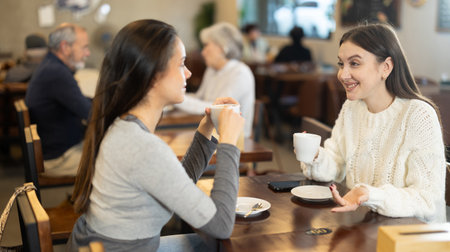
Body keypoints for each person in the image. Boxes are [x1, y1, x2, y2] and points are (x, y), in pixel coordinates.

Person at [67, 19, 245, 251]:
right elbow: (221, 225)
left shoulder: (125, 127)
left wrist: (206, 129)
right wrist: (229, 143)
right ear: (153, 75)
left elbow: (177, 183)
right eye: (181, 64)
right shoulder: (141, 146)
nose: (189, 73)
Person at [298, 23, 446, 223]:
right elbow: (336, 165)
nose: (343, 74)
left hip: (410, 237)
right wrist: (316, 155)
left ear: (386, 67)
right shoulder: (352, 108)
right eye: (341, 64)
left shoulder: (419, 115)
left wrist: (369, 194)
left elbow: (428, 200)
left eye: (355, 63)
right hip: (365, 226)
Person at [25, 23, 91, 176]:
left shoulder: (51, 66)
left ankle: (79, 200)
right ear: (65, 47)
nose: (87, 53)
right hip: (58, 158)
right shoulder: (56, 73)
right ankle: (82, 200)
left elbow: (80, 101)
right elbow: (89, 113)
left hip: (56, 149)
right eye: (84, 47)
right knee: (116, 164)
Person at [174, 22, 255, 138]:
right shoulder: (212, 70)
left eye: (207, 45)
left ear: (222, 47)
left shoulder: (240, 73)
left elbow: (217, 109)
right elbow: (199, 98)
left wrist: (178, 99)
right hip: (212, 132)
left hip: (235, 139)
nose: (203, 52)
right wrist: (171, 99)